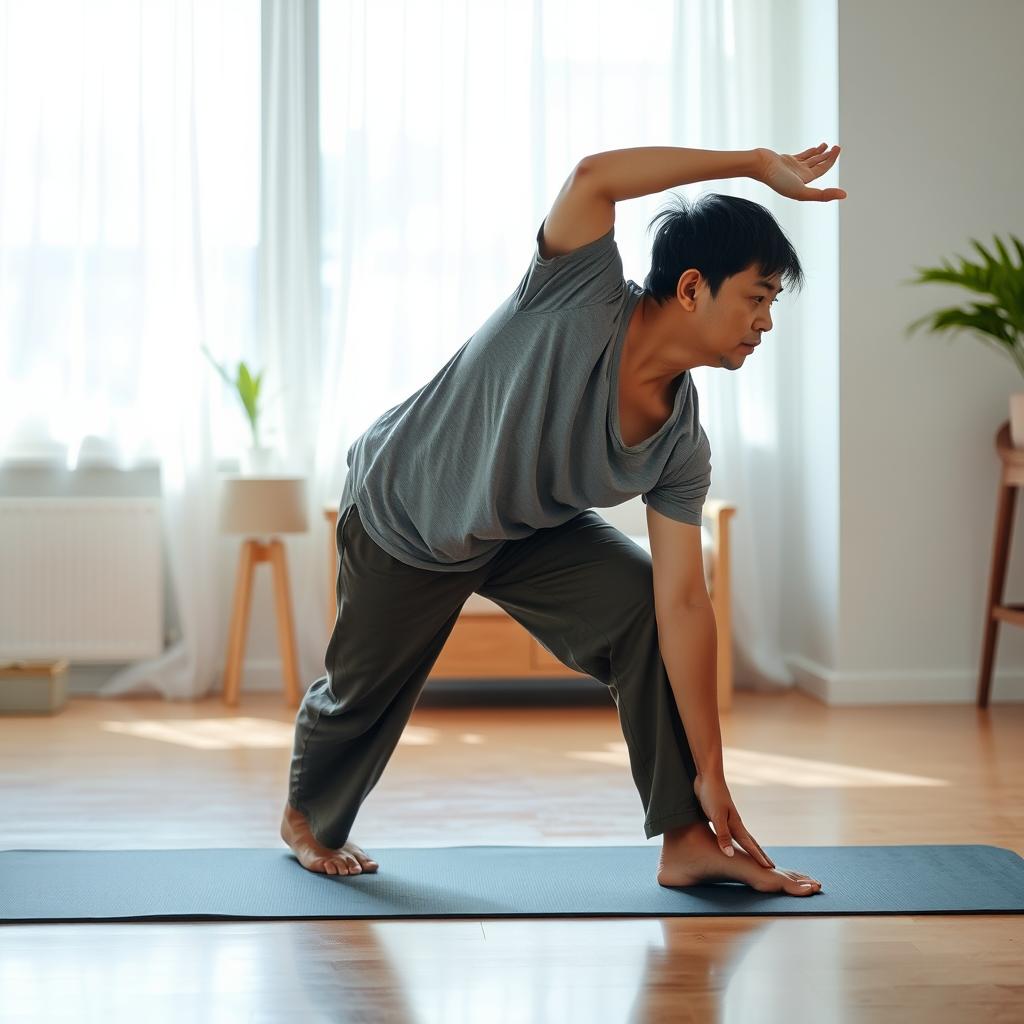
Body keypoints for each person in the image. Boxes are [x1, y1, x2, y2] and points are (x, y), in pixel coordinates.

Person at [282, 143, 846, 895]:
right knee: (363, 695)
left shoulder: (681, 443)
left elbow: (683, 604)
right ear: (690, 288)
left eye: (773, 303)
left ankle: (684, 840)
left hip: (523, 528)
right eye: (756, 297)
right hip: (411, 507)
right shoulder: (580, 290)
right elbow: (594, 176)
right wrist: (751, 164)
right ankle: (303, 819)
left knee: (644, 609)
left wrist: (712, 775)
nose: (766, 322)